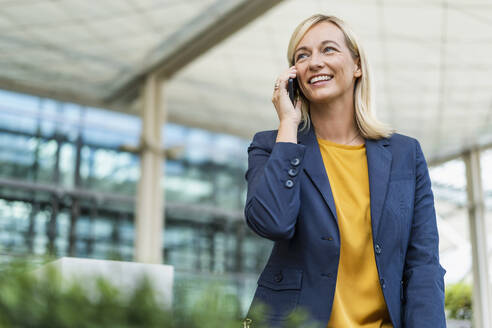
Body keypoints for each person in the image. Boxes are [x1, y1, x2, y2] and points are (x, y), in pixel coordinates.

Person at [242, 14, 446, 328]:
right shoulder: (272, 146)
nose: (315, 62)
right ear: (294, 75)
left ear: (357, 66)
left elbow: (423, 264)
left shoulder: (406, 155)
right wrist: (288, 125)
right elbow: (272, 223)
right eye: (302, 55)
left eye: (328, 50)